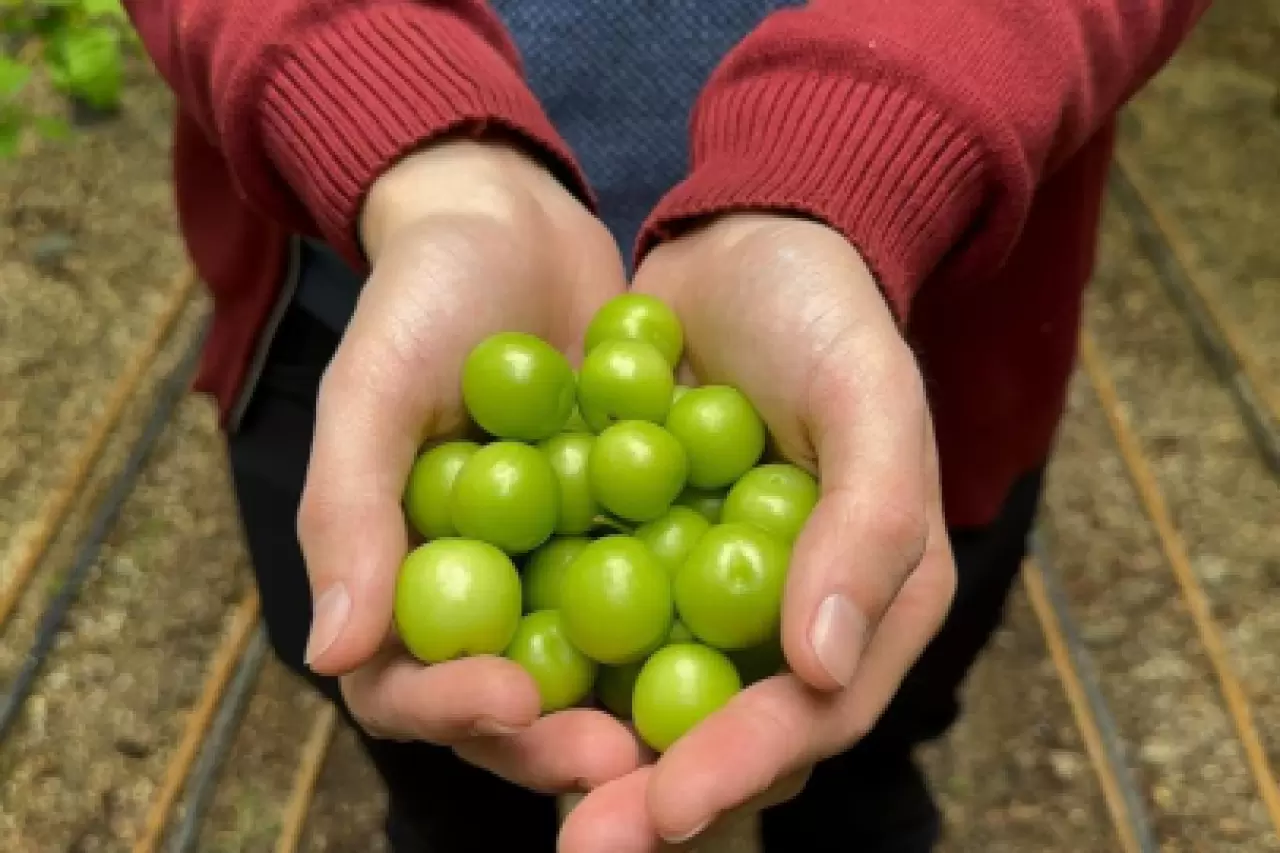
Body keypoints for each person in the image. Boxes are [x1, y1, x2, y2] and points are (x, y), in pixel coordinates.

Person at [124, 1, 1207, 850]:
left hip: (903, 347)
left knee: (865, 740)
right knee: (450, 780)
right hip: (370, 289)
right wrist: (380, 100)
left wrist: (867, 147)